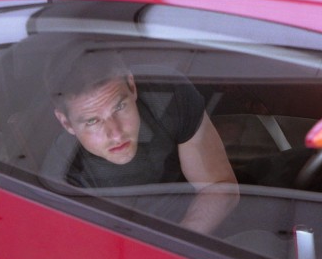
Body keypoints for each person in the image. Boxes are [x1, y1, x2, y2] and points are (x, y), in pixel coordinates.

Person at [44, 45, 238, 235]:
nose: (116, 134)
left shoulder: (167, 93)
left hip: (199, 229)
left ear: (132, 85)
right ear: (66, 123)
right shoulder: (63, 177)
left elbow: (219, 186)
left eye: (119, 107)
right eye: (93, 121)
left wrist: (179, 247)